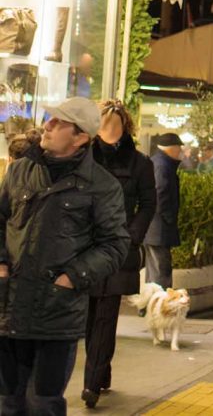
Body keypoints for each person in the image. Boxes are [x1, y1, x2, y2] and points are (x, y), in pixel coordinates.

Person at [0, 97, 129, 414]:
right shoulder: (19, 172)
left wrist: (71, 278)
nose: (48, 125)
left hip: (56, 313)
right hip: (8, 307)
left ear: (81, 136)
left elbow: (115, 244)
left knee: (43, 404)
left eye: (59, 122)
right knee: (7, 402)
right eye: (50, 118)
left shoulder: (101, 186)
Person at [81, 101, 156, 408]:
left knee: (106, 314)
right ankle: (102, 370)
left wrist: (130, 236)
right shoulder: (84, 155)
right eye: (103, 122)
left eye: (115, 122)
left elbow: (148, 205)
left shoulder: (139, 163)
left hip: (117, 246)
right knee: (88, 314)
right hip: (84, 246)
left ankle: (91, 383)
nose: (109, 128)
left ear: (125, 125)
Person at [144, 133, 184, 289]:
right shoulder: (161, 165)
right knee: (160, 269)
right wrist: (168, 218)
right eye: (179, 147)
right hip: (158, 228)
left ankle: (151, 305)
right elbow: (159, 194)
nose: (180, 151)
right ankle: (159, 308)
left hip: (155, 227)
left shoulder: (158, 163)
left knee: (155, 269)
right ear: (171, 148)